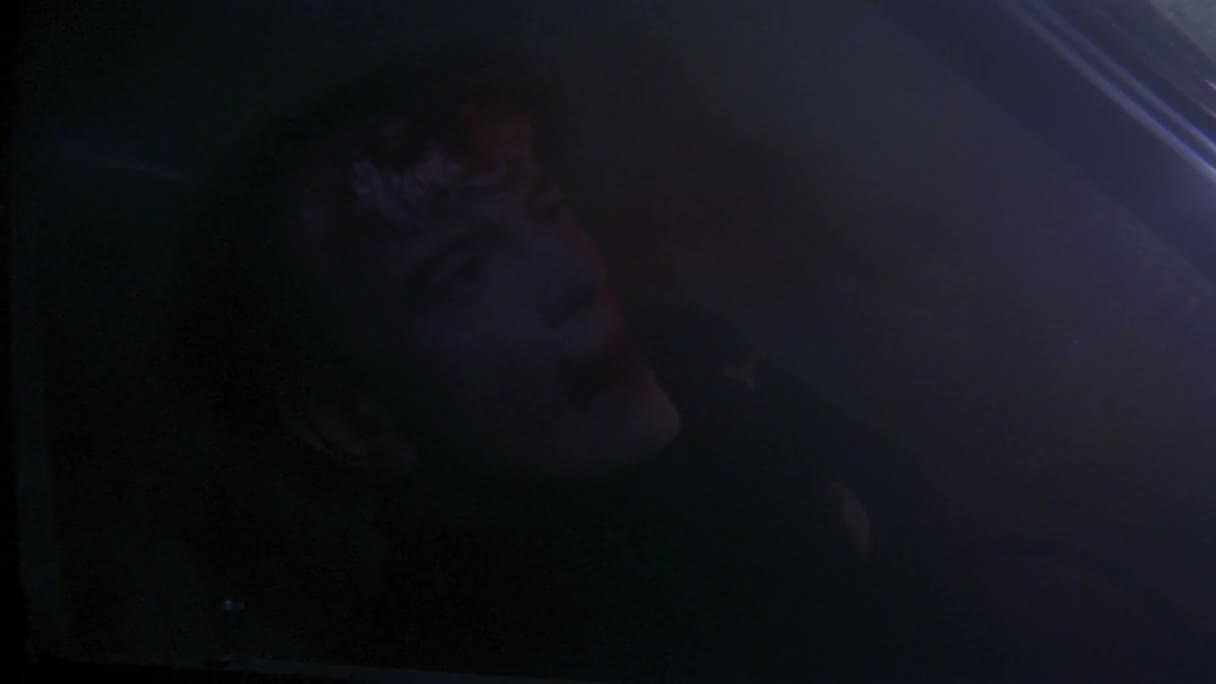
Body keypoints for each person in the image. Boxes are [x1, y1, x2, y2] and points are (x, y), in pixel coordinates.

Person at [162, 53, 1001, 681]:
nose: (574, 274)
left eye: (548, 206)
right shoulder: (470, 646)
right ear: (355, 420)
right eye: (463, 270)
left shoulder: (691, 356)